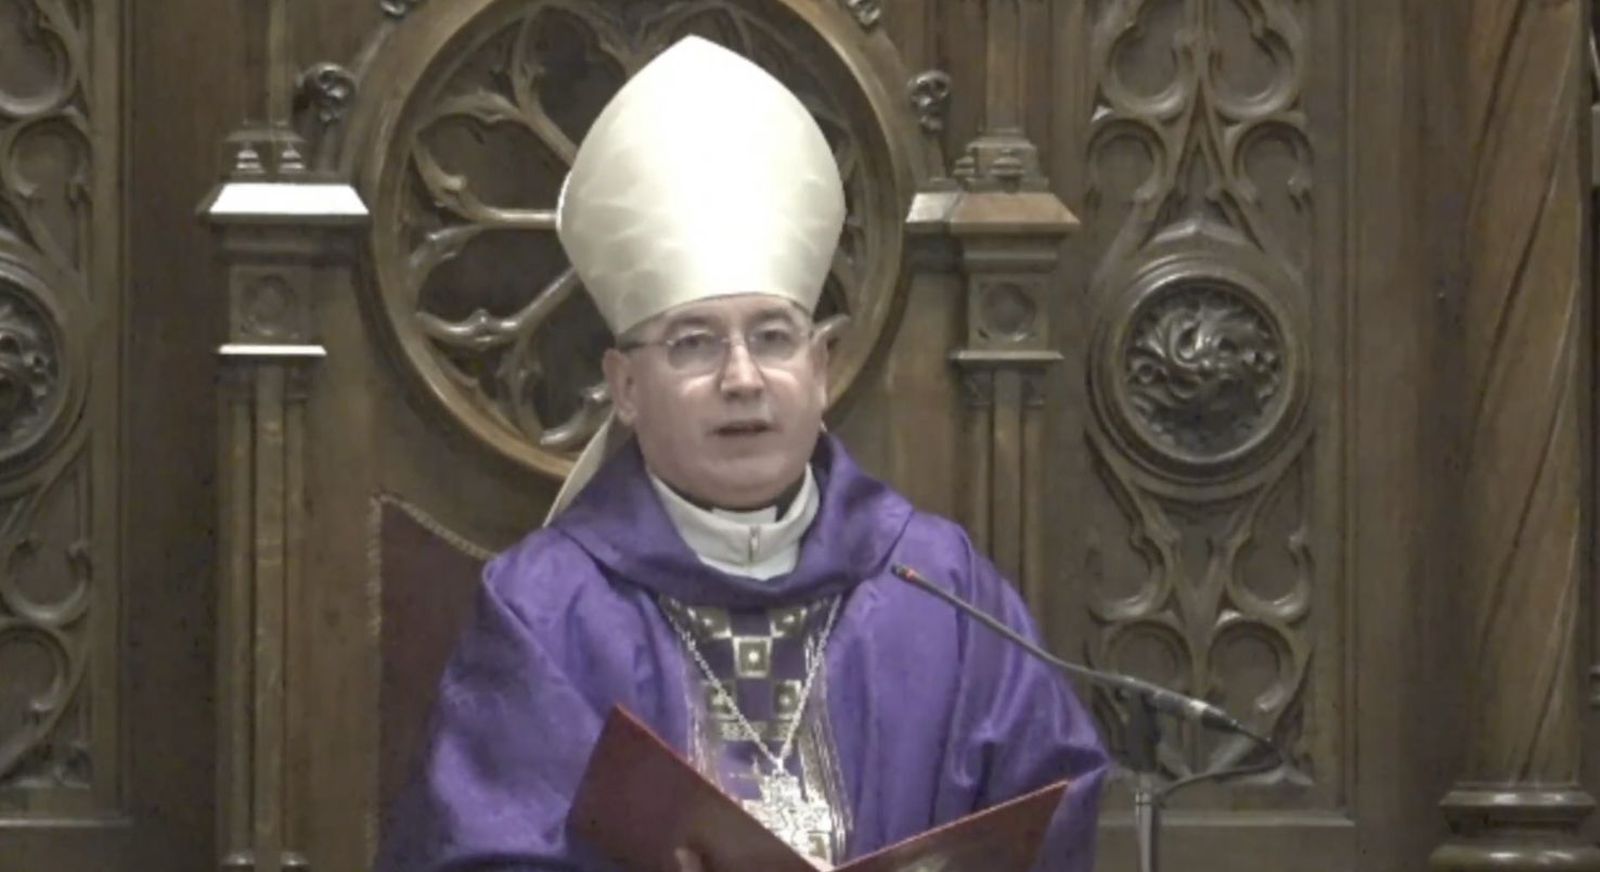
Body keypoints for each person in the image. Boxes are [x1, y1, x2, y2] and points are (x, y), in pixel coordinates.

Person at [375, 35, 1108, 872]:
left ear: (820, 370)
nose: (742, 378)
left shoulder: (939, 584)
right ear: (625, 387)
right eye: (694, 343)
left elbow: (1048, 806)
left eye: (773, 337)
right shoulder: (547, 608)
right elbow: (481, 851)